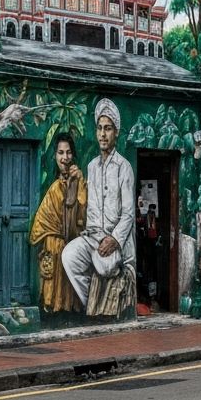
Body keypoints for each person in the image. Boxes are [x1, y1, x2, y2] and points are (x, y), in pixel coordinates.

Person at [61, 99, 136, 315]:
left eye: (108, 129)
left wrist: (114, 239)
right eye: (100, 129)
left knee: (104, 266)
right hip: (93, 236)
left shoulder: (124, 167)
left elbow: (129, 214)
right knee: (69, 256)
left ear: (116, 133)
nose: (103, 134)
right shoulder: (91, 166)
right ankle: (92, 304)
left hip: (115, 240)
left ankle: (112, 296)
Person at [28, 132, 87, 313]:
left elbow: (84, 213)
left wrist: (79, 183)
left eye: (68, 153)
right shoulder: (54, 188)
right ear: (55, 156)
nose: (64, 158)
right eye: (60, 153)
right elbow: (42, 221)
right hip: (53, 244)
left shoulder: (80, 182)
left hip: (73, 243)